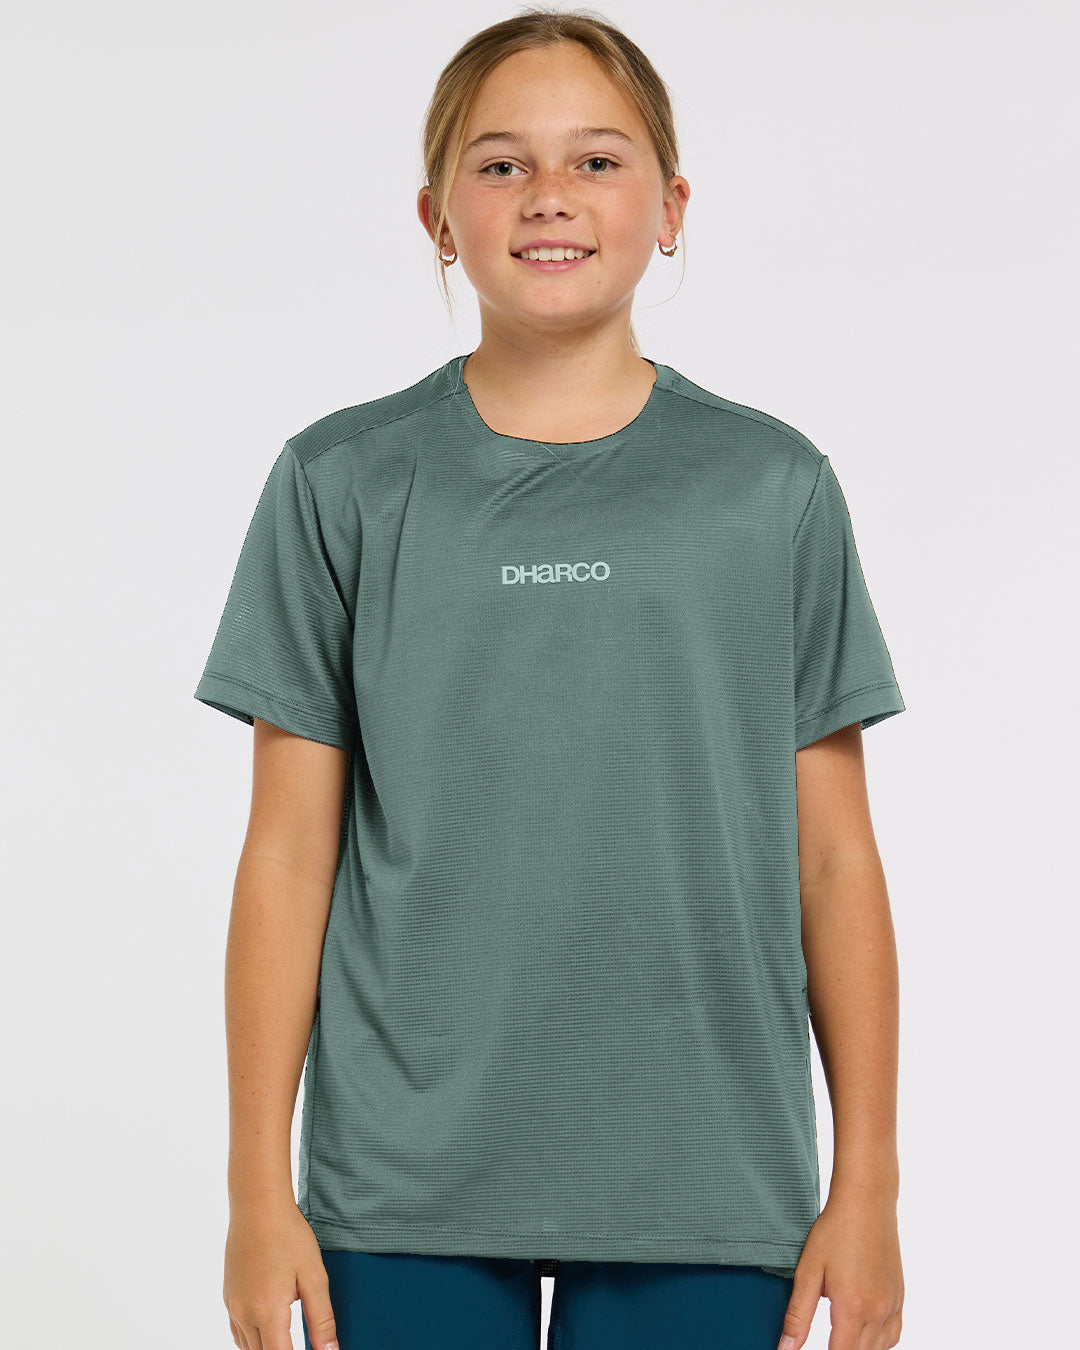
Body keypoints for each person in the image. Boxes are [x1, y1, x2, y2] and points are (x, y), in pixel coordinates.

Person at [195, 9, 907, 1350]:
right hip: (400, 1179)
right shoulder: (343, 481)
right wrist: (253, 1191)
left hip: (705, 1170)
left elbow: (833, 859)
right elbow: (286, 854)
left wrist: (867, 1185)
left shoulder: (771, 488)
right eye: (501, 163)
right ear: (437, 217)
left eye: (597, 159)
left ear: (671, 207)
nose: (550, 196)